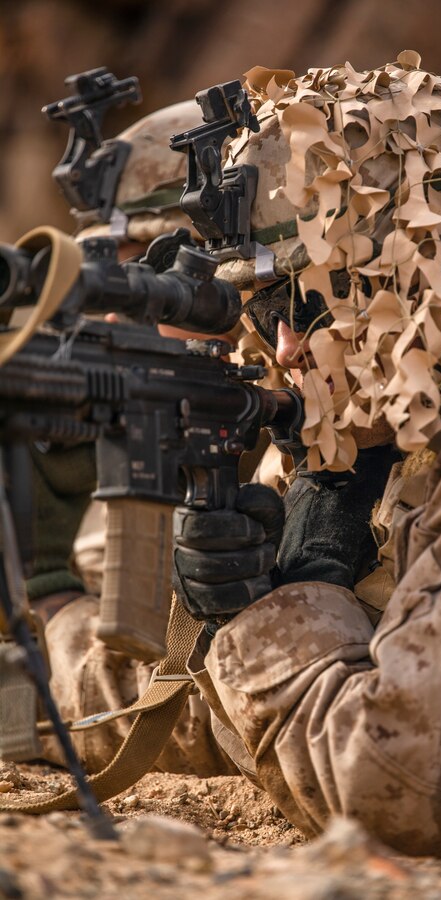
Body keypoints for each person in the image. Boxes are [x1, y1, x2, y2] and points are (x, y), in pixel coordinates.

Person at [168, 53, 441, 863]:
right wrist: (197, 609)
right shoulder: (365, 428)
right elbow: (201, 735)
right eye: (265, 306)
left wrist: (262, 622)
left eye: (311, 298)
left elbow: (406, 799)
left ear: (420, 269)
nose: (283, 347)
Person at [31, 98, 241, 775]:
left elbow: (214, 713)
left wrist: (49, 605)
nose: (114, 318)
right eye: (96, 289)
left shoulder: (313, 435)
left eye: (145, 285)